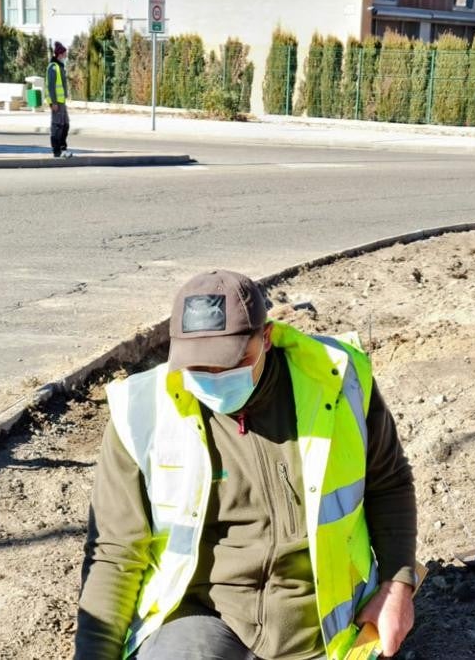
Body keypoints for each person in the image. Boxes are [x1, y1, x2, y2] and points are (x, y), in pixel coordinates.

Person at [75, 270, 418, 660]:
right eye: (199, 368)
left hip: (323, 622)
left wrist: (396, 585)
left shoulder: (338, 382)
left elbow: (388, 485)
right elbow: (116, 551)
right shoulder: (141, 412)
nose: (215, 379)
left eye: (234, 361)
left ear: (267, 337)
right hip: (205, 616)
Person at [48, 41, 72, 158]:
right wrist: (53, 102)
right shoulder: (53, 67)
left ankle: (63, 148)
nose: (66, 56)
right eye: (65, 54)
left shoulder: (60, 67)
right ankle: (56, 150)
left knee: (65, 125)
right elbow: (51, 86)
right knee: (57, 126)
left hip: (61, 101)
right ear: (60, 55)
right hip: (57, 102)